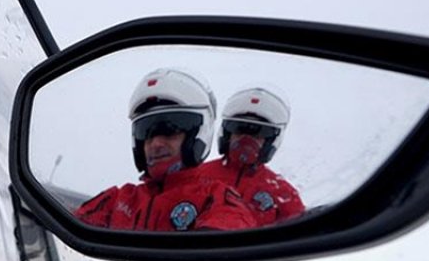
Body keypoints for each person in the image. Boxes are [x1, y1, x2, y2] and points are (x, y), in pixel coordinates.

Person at [75, 68, 256, 231]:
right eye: (147, 134)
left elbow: (231, 230)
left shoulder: (216, 198)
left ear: (196, 137)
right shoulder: (117, 200)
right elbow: (68, 235)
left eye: (169, 132)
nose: (155, 144)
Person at [196, 87, 305, 226]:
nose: (246, 140)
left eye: (259, 133)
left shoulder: (283, 194)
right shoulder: (197, 176)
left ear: (269, 142)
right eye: (239, 129)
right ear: (227, 135)